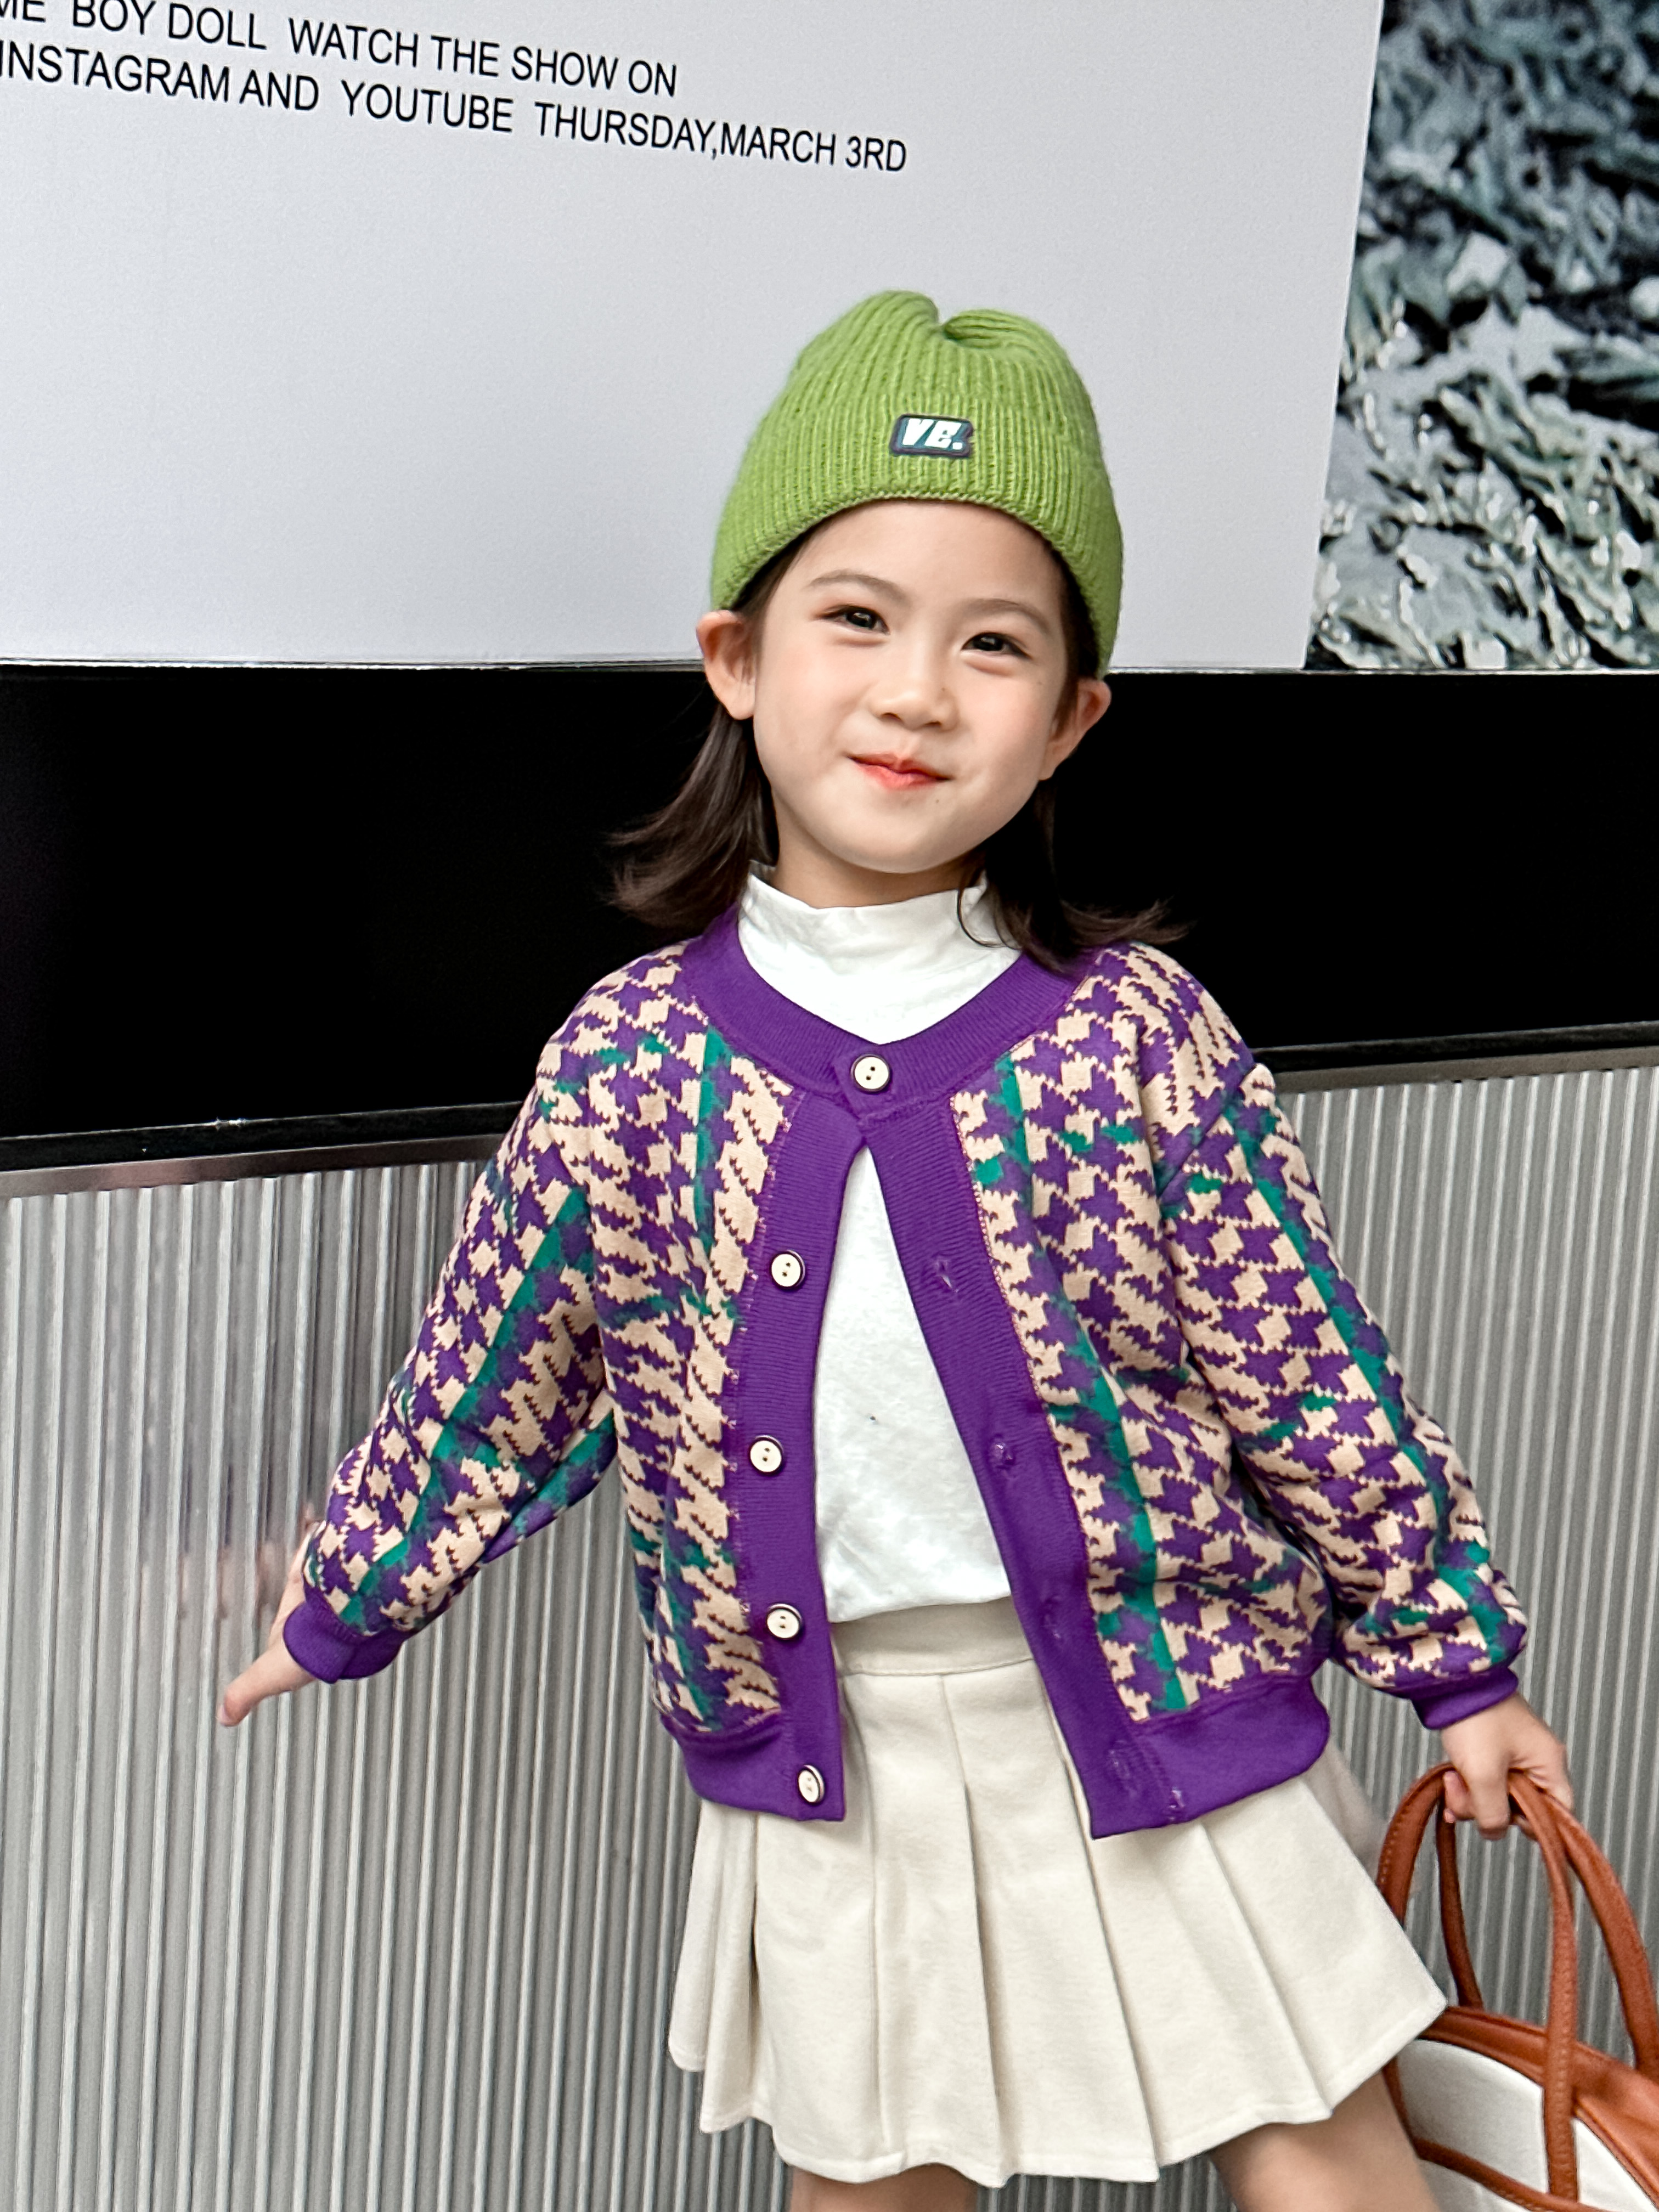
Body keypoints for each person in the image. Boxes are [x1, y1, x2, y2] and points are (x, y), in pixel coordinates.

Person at [222, 291, 1572, 2210]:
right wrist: (341, 1593)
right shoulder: (630, 1061)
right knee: (877, 2176)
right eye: (856, 617)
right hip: (833, 1752)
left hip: (1163, 1699)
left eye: (993, 643)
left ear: (1071, 718)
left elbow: (1310, 1373)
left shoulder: (1133, 1038)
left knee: (1320, 2143)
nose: (918, 691)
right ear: (738, 658)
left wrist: (1458, 1666)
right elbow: (500, 1374)